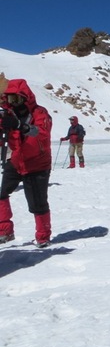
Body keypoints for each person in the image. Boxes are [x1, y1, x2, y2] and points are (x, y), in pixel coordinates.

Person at [0, 79, 54, 247]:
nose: (13, 103)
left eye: (16, 99)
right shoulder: (9, 114)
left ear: (25, 97)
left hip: (37, 164)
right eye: (9, 99)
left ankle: (43, 237)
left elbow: (41, 134)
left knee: (37, 203)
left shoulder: (40, 113)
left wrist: (20, 126)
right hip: (16, 161)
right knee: (1, 195)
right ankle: (5, 232)